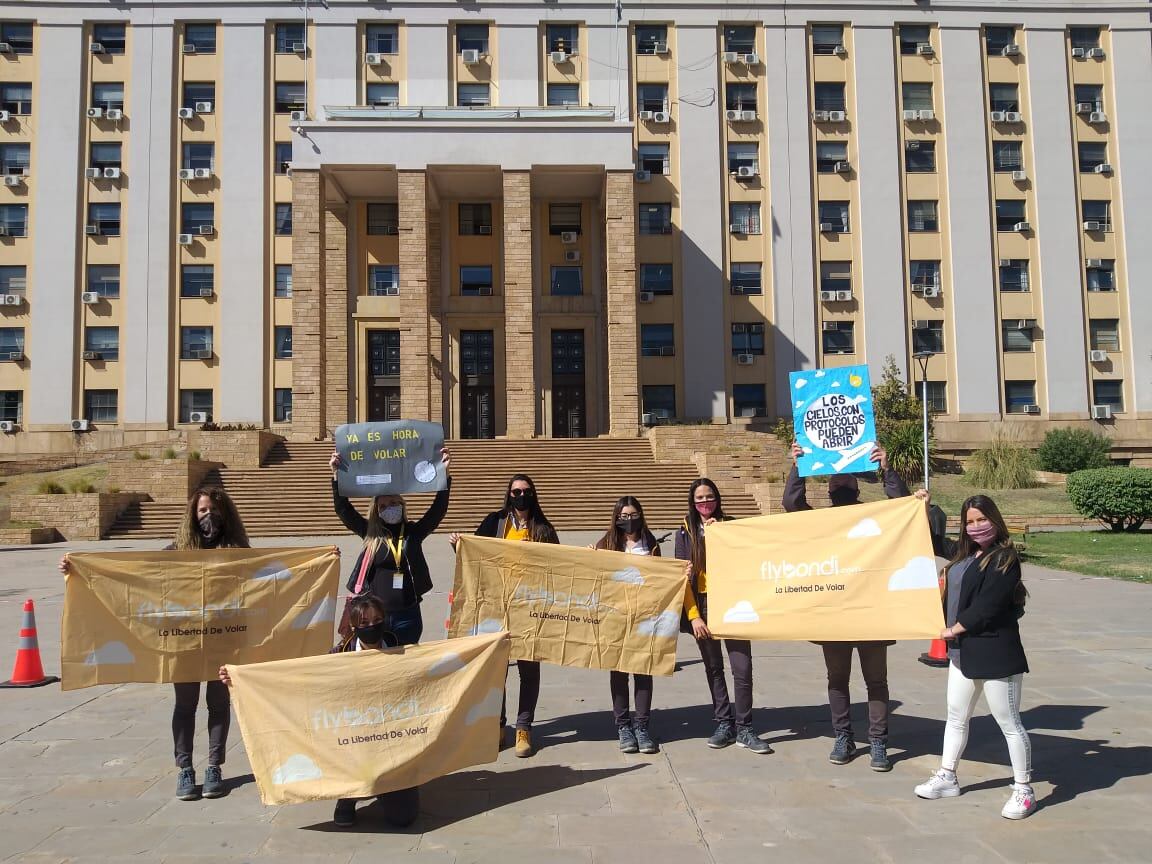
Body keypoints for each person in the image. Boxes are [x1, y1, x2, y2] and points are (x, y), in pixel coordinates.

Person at [60, 486, 251, 802]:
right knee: (186, 704)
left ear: (226, 515)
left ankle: (214, 766)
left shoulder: (239, 551)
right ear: (192, 514)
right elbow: (137, 576)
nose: (209, 516)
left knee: (219, 704)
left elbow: (269, 579)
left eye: (214, 511)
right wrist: (77, 569)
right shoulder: (175, 551)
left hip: (224, 638)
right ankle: (185, 768)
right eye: (203, 510)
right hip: (184, 639)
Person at [220, 595, 418, 828]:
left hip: (390, 736)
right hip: (352, 735)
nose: (371, 626)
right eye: (363, 623)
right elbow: (298, 680)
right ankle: (348, 797)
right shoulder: (336, 656)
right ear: (354, 628)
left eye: (377, 620)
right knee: (348, 757)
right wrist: (240, 678)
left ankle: (388, 787)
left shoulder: (402, 649)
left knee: (403, 818)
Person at [782, 442, 910, 771]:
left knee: (875, 681)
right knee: (837, 679)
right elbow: (792, 504)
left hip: (870, 614)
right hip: (835, 614)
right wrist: (797, 467)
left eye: (846, 479)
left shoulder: (875, 520)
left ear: (856, 488)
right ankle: (844, 736)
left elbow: (904, 509)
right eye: (834, 481)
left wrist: (886, 468)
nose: (840, 484)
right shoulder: (822, 522)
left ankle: (878, 741)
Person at [914, 494, 1035, 820]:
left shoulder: (1005, 558)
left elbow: (990, 605)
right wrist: (920, 508)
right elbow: (930, 539)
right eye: (970, 521)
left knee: (1009, 724)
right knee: (956, 717)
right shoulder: (964, 554)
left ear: (994, 520)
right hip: (962, 655)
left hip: (996, 655)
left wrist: (954, 628)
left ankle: (1023, 789)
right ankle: (947, 776)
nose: (977, 526)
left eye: (982, 519)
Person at [449, 473, 558, 758]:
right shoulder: (495, 522)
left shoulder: (544, 529)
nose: (520, 496)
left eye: (525, 491)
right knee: (497, 669)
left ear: (533, 494)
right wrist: (458, 545)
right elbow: (475, 552)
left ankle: (524, 728)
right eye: (515, 491)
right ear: (508, 494)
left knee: (528, 669)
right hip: (497, 605)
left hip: (531, 606)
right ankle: (498, 725)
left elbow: (560, 567)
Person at [675, 478, 771, 754]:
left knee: (742, 668)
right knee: (713, 667)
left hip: (732, 601)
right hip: (702, 604)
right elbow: (682, 579)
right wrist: (694, 616)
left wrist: (721, 536)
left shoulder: (731, 525)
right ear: (692, 503)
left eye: (709, 497)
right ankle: (724, 722)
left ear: (717, 498)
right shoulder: (685, 532)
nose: (705, 503)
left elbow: (750, 559)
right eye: (699, 499)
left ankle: (745, 727)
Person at [329, 447, 451, 646]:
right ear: (376, 511)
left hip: (408, 616)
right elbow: (343, 510)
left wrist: (445, 474)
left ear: (402, 505)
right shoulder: (371, 533)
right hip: (375, 618)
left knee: (405, 666)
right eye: (383, 506)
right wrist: (335, 475)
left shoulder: (413, 533)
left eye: (394, 503)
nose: (389, 508)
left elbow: (437, 511)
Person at [593, 496, 684, 755]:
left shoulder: (651, 542)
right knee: (619, 672)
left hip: (645, 617)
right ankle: (623, 726)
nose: (628, 520)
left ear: (641, 515)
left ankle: (642, 726)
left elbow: (661, 577)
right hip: (617, 617)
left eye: (633, 515)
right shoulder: (608, 542)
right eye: (623, 516)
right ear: (616, 518)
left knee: (644, 671)